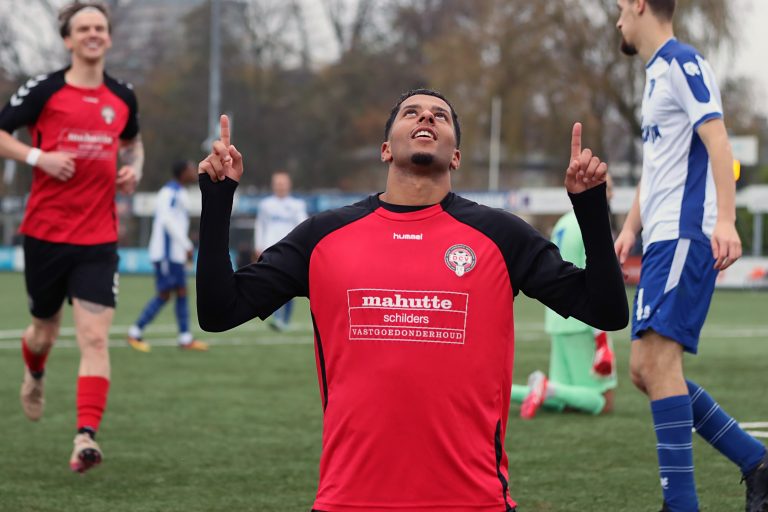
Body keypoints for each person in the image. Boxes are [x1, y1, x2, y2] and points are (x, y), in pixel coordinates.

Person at [195, 89, 628, 511]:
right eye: (412, 112)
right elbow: (219, 311)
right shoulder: (322, 236)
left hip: (474, 501)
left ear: (455, 157)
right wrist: (217, 200)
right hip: (349, 501)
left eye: (440, 115)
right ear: (386, 149)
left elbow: (605, 310)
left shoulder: (502, 236)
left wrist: (591, 208)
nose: (426, 117)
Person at [614, 1, 767, 510]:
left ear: (640, 4)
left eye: (620, 8)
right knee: (644, 370)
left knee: (659, 364)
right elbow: (657, 167)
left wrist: (726, 219)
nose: (618, 20)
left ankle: (681, 504)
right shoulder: (655, 75)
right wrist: (630, 227)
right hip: (660, 239)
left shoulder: (683, 63)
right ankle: (757, 462)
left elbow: (719, 142)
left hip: (683, 235)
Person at [0, 1, 143, 473]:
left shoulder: (123, 95)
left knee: (95, 340)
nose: (93, 34)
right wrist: (38, 158)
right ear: (68, 39)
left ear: (109, 37)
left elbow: (133, 142)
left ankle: (86, 437)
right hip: (45, 234)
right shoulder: (44, 90)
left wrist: (133, 169)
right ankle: (34, 372)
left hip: (98, 239)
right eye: (83, 28)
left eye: (99, 27)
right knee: (43, 332)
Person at [512, 175, 618, 419]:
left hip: (558, 317)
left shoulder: (563, 222)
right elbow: (597, 280)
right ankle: (545, 387)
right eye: (608, 189)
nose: (611, 195)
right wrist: (601, 335)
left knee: (563, 401)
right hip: (583, 321)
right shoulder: (592, 224)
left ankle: (508, 391)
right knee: (603, 402)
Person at [127, 160, 208, 352]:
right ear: (182, 173)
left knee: (181, 292)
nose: (193, 172)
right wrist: (186, 244)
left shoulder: (180, 192)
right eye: (190, 169)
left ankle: (185, 338)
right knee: (164, 294)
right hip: (165, 254)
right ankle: (135, 332)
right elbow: (167, 221)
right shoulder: (169, 192)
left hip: (175, 254)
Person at [253, 170, 307, 331]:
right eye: (277, 183)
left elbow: (303, 226)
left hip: (290, 250)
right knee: (272, 284)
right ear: (273, 185)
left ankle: (285, 320)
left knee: (289, 285)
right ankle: (277, 318)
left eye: (283, 183)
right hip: (270, 249)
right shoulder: (265, 205)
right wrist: (258, 245)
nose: (280, 186)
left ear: (289, 185)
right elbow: (260, 225)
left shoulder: (297, 205)